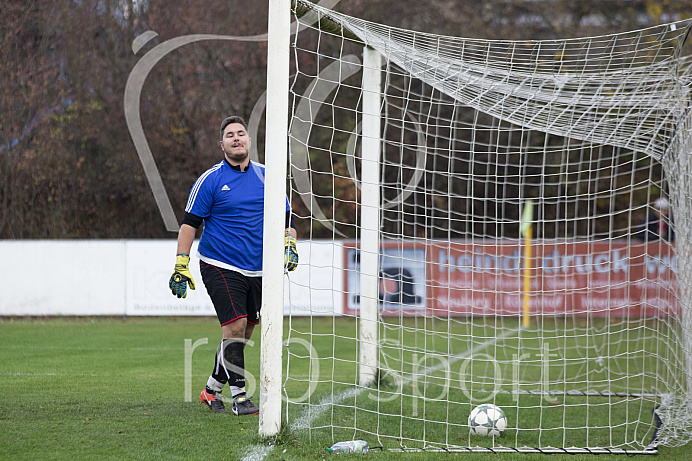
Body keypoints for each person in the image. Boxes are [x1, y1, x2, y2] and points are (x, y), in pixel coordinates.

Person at [168, 115, 299, 415]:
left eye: (241, 133)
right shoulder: (210, 179)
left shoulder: (268, 176)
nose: (237, 138)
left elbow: (287, 219)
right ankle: (240, 397)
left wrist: (289, 243)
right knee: (235, 326)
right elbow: (190, 224)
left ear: (249, 141)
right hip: (219, 264)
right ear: (222, 144)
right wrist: (180, 263)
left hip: (259, 269)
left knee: (244, 332)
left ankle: (211, 390)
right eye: (230, 135)